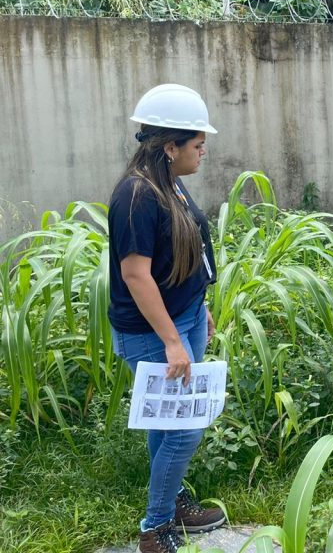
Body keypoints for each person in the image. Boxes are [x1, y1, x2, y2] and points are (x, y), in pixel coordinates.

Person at [107, 84, 226, 553]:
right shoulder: (136, 196)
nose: (204, 152)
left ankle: (172, 502)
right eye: (197, 144)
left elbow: (180, 252)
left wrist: (200, 306)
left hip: (185, 317)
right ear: (170, 146)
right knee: (186, 426)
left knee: (167, 424)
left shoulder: (168, 182)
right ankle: (155, 528)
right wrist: (174, 340)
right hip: (155, 334)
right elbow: (136, 275)